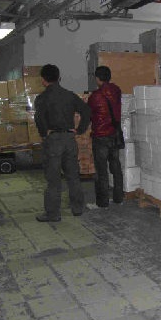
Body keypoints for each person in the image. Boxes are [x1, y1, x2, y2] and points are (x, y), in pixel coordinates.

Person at [34, 64, 91, 222]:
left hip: (53, 140)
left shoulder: (42, 98)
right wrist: (79, 130)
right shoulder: (69, 95)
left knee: (53, 180)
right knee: (73, 176)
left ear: (43, 80)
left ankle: (53, 214)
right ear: (59, 78)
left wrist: (44, 133)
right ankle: (77, 209)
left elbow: (39, 118)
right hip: (69, 139)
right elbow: (86, 111)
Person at [87, 65, 124, 208]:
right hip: (114, 135)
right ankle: (118, 198)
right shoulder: (117, 91)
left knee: (101, 170)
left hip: (100, 136)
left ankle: (102, 202)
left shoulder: (95, 96)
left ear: (97, 78)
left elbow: (90, 115)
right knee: (116, 167)